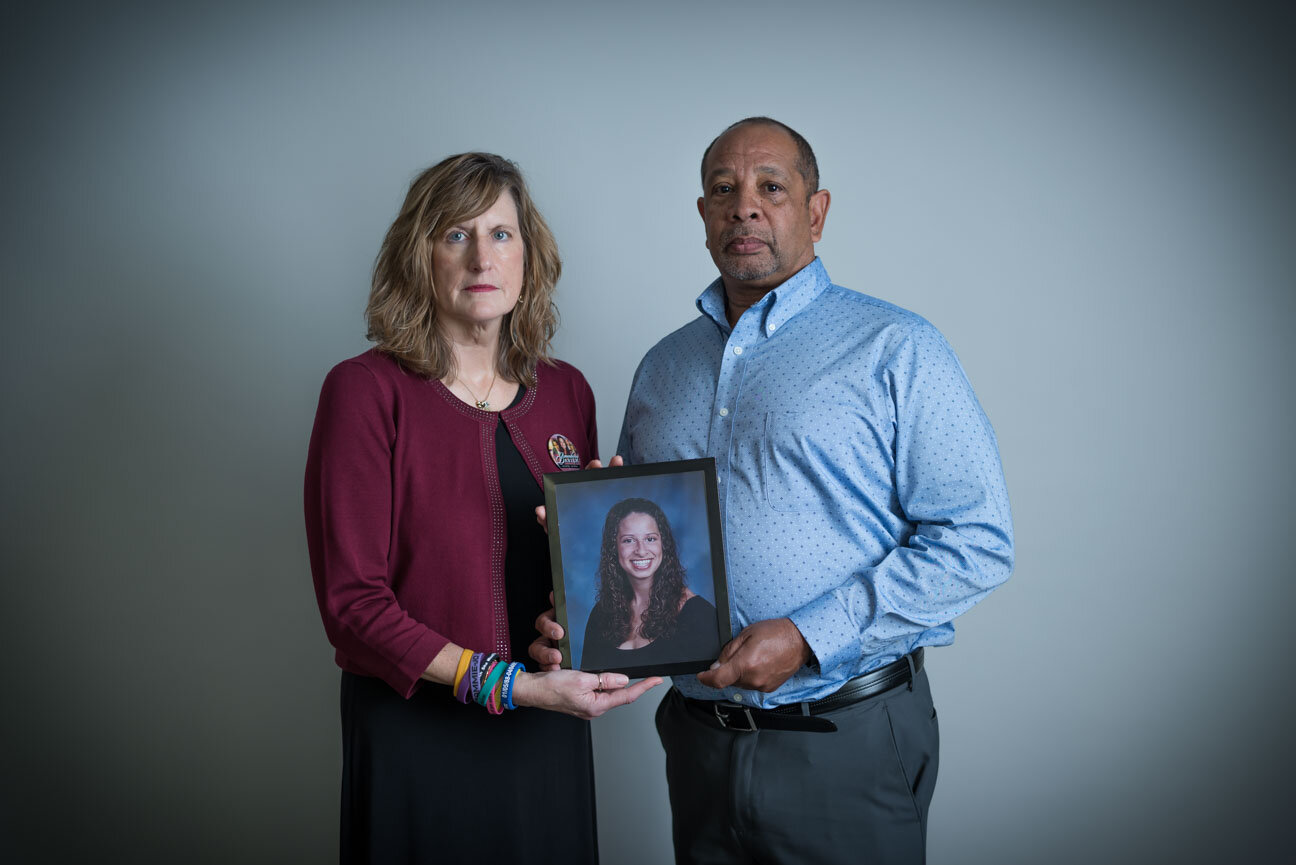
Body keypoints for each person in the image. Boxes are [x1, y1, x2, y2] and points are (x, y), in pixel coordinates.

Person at [533, 118, 1014, 864]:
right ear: (702, 215)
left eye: (771, 188)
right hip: (697, 744)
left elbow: (977, 540)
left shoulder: (896, 346)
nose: (744, 207)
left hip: (845, 742)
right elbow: (640, 531)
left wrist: (809, 634)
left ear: (816, 212)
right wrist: (581, 594)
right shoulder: (663, 367)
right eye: (723, 189)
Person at [303, 152, 660, 863]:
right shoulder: (364, 391)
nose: (480, 257)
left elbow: (569, 583)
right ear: (420, 255)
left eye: (501, 234)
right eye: (455, 235)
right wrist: (508, 684)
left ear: (529, 255)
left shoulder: (568, 391)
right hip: (418, 731)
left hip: (547, 725)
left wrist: (597, 562)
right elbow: (353, 604)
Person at [579, 497, 720, 672]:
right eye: (628, 540)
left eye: (650, 539)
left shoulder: (698, 614)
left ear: (664, 544)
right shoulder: (601, 614)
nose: (641, 550)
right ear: (614, 548)